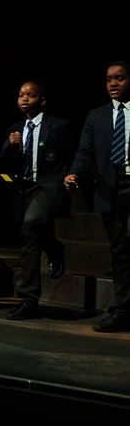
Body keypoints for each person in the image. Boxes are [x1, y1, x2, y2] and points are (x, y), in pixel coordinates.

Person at [0, 80, 73, 320]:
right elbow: (2, 162)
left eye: (30, 95)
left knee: (32, 223)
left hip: (49, 187)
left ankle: (52, 247)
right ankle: (29, 301)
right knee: (28, 239)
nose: (24, 99)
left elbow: (74, 155)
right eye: (20, 95)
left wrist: (71, 177)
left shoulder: (58, 126)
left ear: (42, 100)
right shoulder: (16, 129)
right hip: (24, 189)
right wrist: (9, 145)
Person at [64, 61, 130, 333]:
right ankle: (124, 310)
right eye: (108, 79)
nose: (113, 84)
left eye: (120, 78)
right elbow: (84, 152)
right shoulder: (97, 116)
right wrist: (74, 173)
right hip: (111, 189)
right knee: (120, 251)